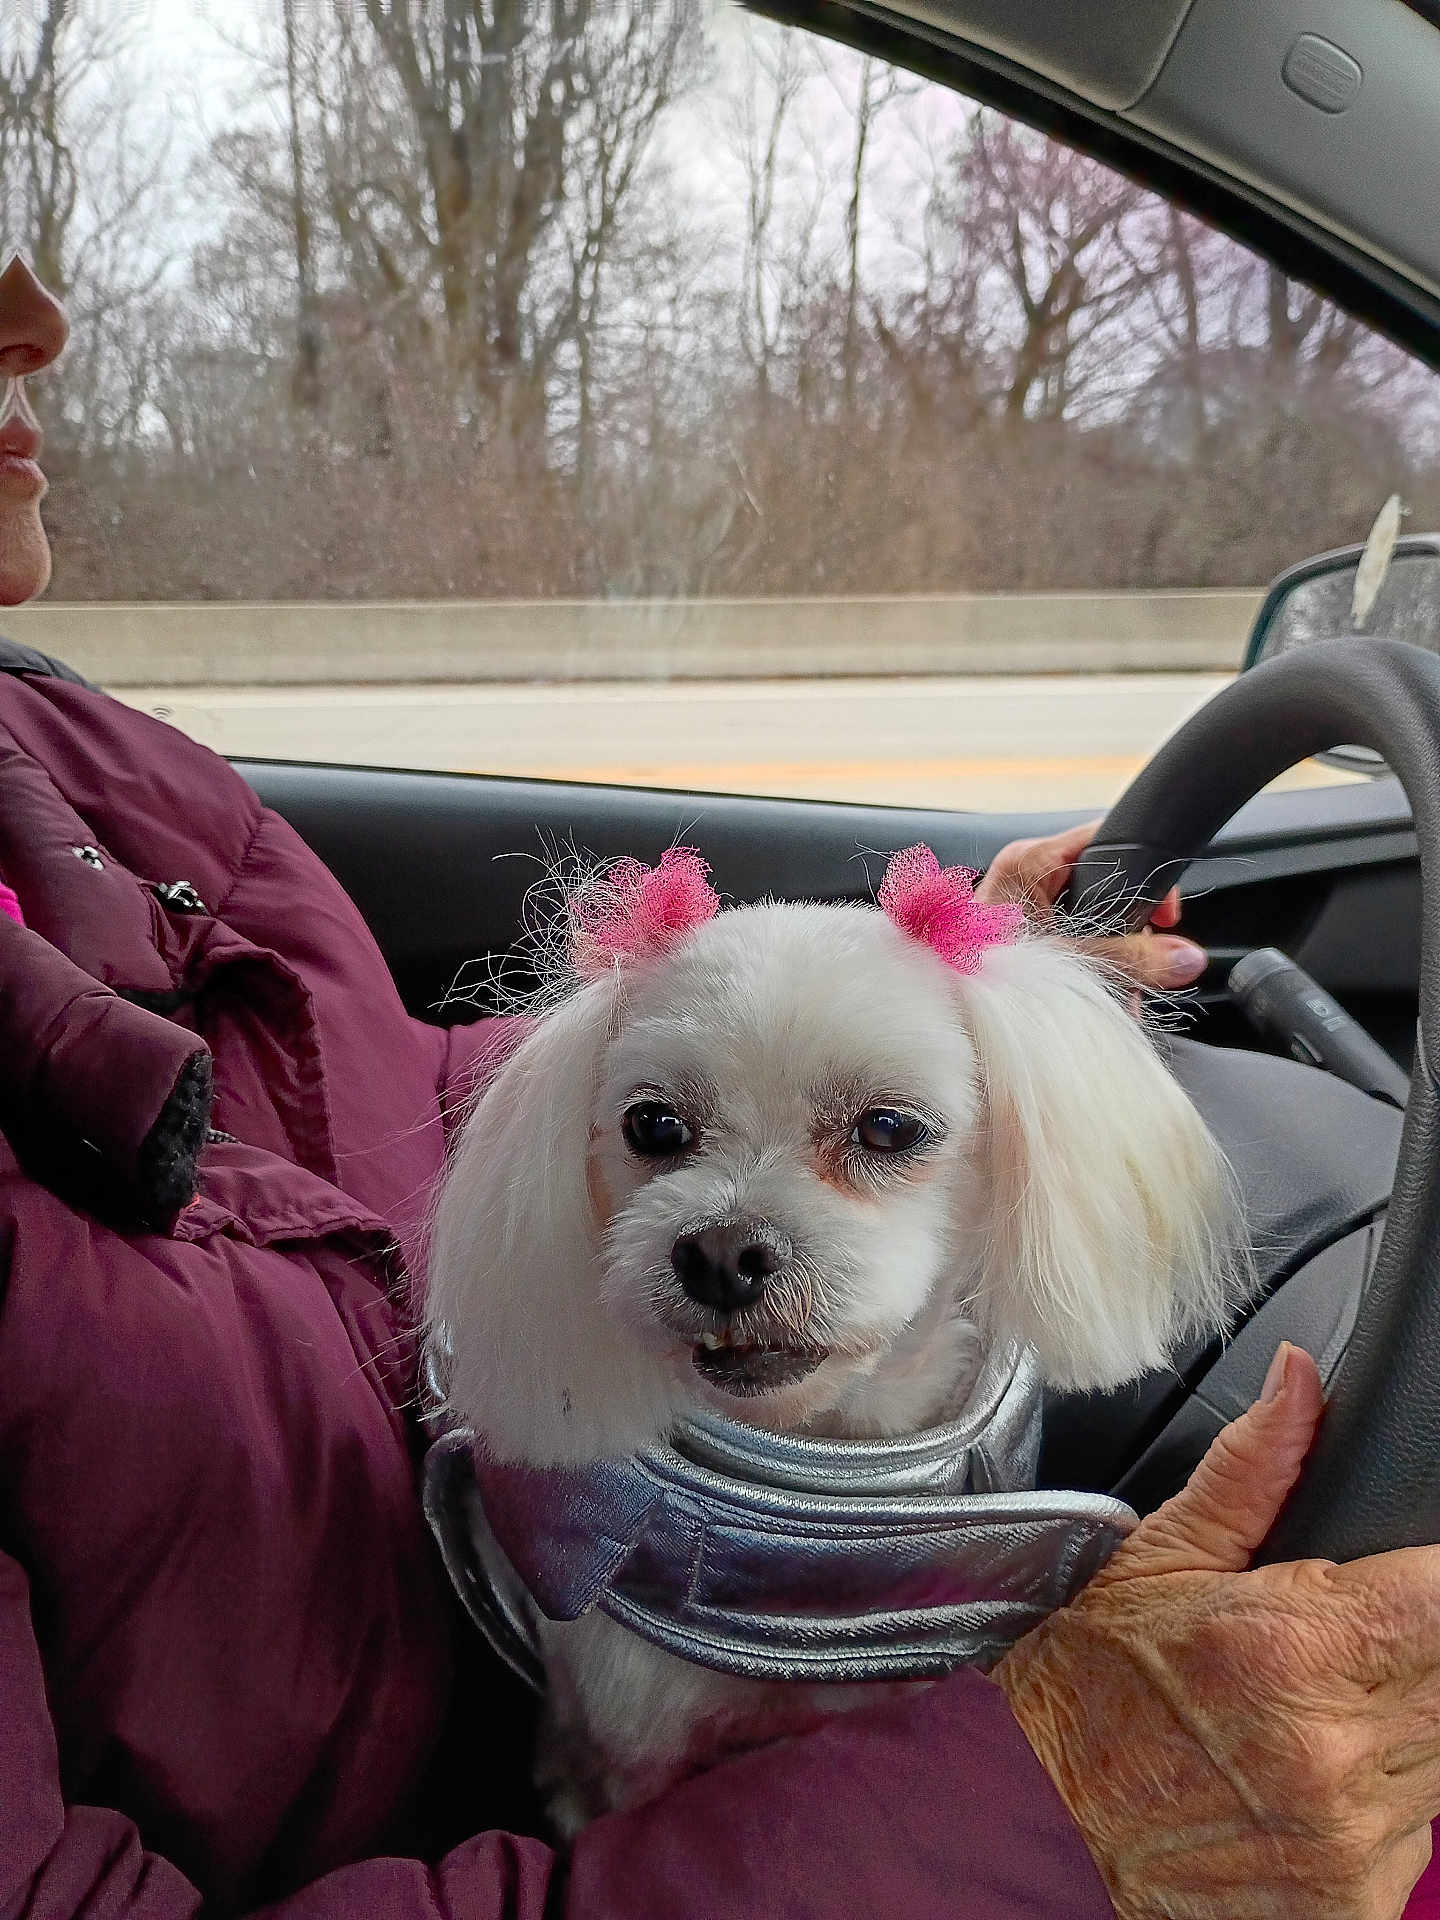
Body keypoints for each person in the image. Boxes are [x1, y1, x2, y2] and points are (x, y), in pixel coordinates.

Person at [2, 247, 1439, 1920]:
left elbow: (366, 1114)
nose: (34, 305)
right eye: (667, 1141)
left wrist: (864, 1002)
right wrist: (1063, 1815)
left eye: (882, 1133)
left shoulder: (79, 757)